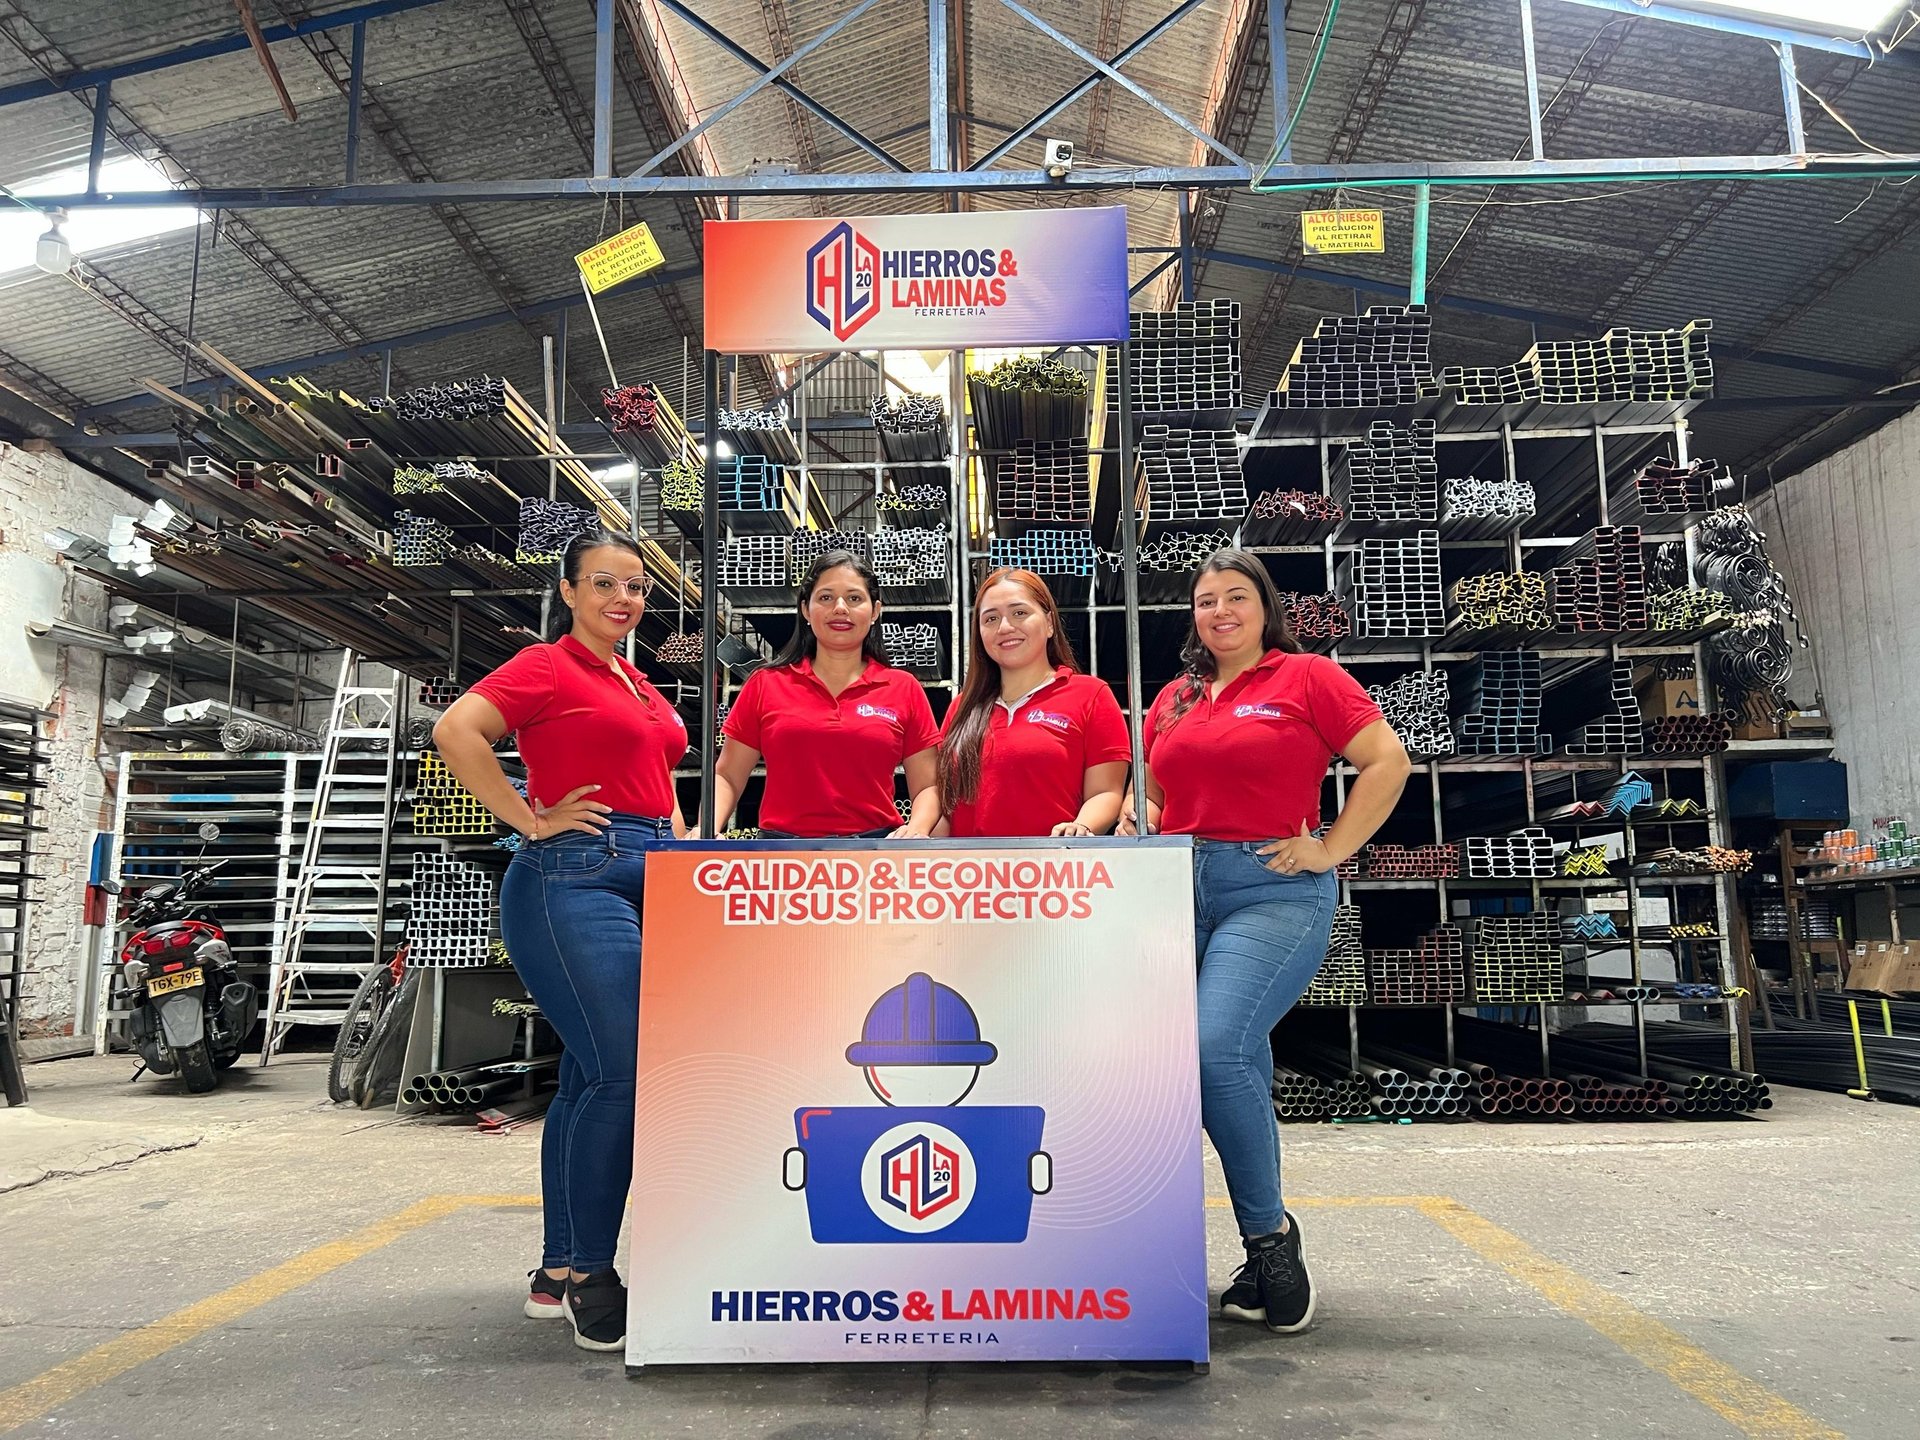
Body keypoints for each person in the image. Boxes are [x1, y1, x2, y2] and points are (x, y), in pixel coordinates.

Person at [1120, 547, 1410, 1336]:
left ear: (1265, 606)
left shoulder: (1307, 677)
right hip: (1176, 889)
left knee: (1211, 1049)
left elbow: (1387, 760)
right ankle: (1263, 1258)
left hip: (1273, 887)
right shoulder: (1176, 698)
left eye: (1236, 597)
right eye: (1206, 600)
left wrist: (1333, 846)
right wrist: (1130, 819)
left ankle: (1270, 1237)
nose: (1220, 611)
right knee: (1238, 1060)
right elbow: (1150, 786)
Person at [432, 529, 688, 1354]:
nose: (624, 598)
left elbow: (659, 789)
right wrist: (531, 819)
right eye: (604, 583)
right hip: (571, 875)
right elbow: (457, 732)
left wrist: (683, 859)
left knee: (584, 1080)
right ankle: (591, 1273)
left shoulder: (638, 683)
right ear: (571, 592)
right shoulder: (547, 665)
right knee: (622, 1070)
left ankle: (555, 1270)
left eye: (636, 586)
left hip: (653, 874)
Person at [707, 550, 940, 838]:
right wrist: (706, 827)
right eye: (826, 598)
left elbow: (929, 785)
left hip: (874, 857)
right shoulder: (765, 684)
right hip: (782, 860)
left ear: (875, 610)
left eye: (854, 598)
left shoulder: (903, 688)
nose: (840, 608)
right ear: (806, 609)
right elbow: (727, 775)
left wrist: (916, 828)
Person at [935, 567, 1129, 837]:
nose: (1004, 627)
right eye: (990, 619)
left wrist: (1081, 828)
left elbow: (1106, 792)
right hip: (971, 873)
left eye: (1019, 613)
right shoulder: (962, 709)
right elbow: (947, 810)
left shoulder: (1090, 695)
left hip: (1055, 869)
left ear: (1049, 623)